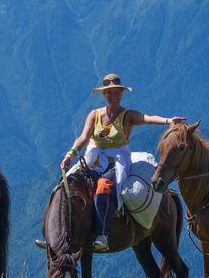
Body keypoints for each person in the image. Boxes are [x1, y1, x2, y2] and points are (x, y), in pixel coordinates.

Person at [60, 73, 186, 252]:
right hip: (93, 158)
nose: (114, 96)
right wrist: (70, 155)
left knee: (104, 186)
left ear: (121, 94)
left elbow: (147, 118)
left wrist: (168, 121)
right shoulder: (94, 115)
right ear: (104, 95)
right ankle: (58, 235)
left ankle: (102, 234)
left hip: (118, 161)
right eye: (110, 93)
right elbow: (84, 137)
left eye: (117, 92)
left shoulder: (128, 116)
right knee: (68, 184)